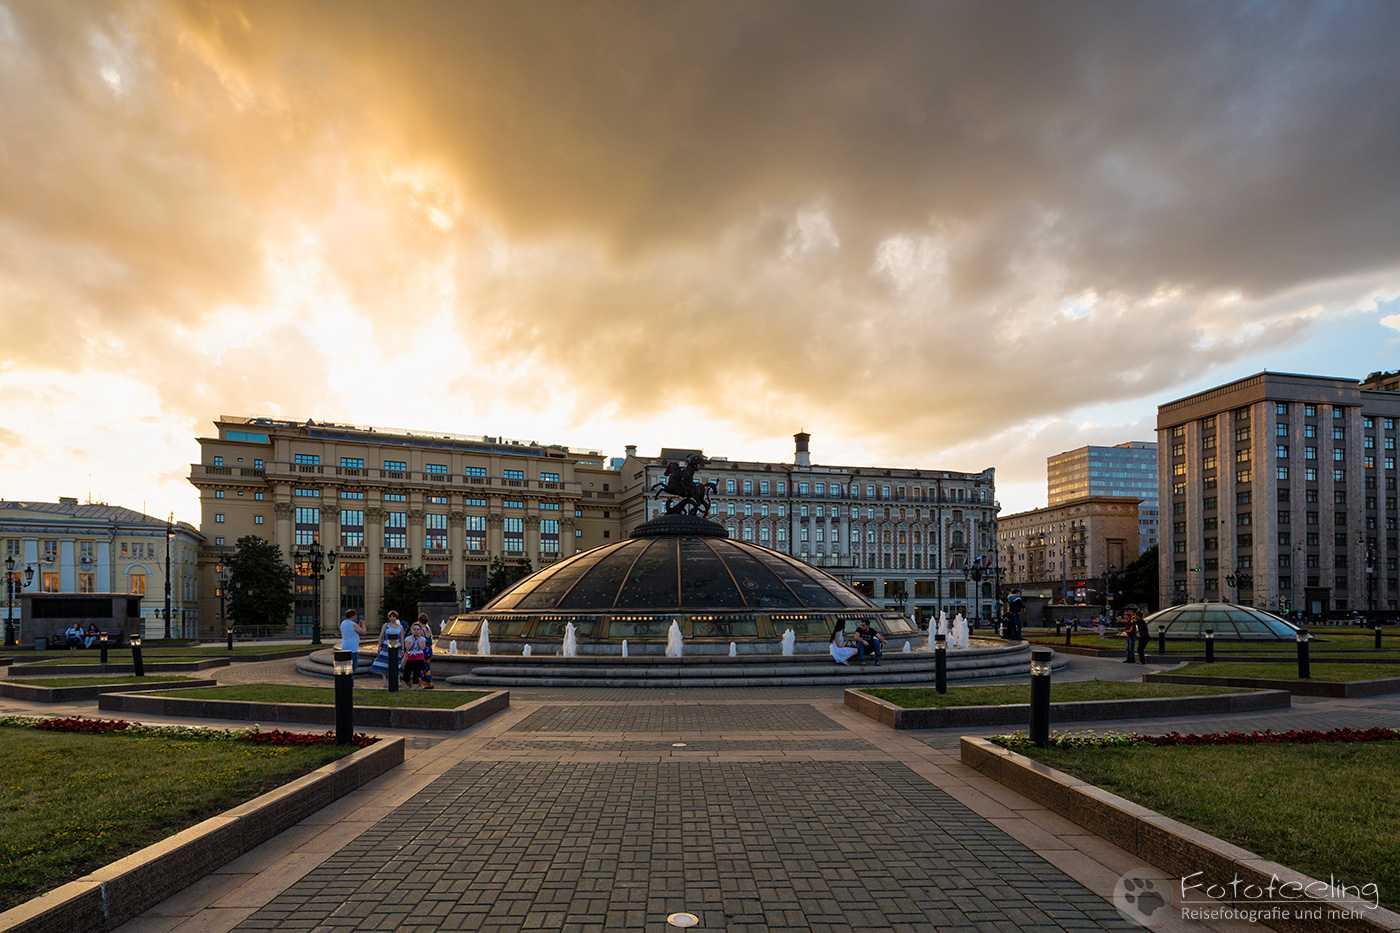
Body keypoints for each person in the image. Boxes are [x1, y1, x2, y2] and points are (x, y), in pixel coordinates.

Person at [370, 611, 405, 688]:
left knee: (397, 662)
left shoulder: (400, 627)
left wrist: (403, 648)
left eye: (394, 616)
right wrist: (379, 646)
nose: (392, 618)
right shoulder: (386, 625)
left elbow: (402, 638)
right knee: (384, 661)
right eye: (390, 617)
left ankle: (398, 679)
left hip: (397, 646)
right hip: (386, 646)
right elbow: (381, 636)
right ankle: (384, 680)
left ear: (396, 617)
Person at [402, 622, 428, 688]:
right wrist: (413, 640)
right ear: (411, 630)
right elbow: (407, 647)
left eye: (417, 629)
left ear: (420, 630)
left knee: (416, 675)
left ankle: (414, 688)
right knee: (406, 676)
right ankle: (412, 687)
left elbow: (422, 647)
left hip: (419, 658)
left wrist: (419, 640)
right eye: (414, 629)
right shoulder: (408, 638)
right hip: (410, 658)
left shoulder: (422, 639)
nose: (416, 631)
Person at [417, 612, 435, 689]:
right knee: (427, 667)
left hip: (423, 650)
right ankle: (430, 682)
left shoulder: (421, 630)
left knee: (419, 667)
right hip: (429, 650)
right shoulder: (428, 629)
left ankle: (422, 683)